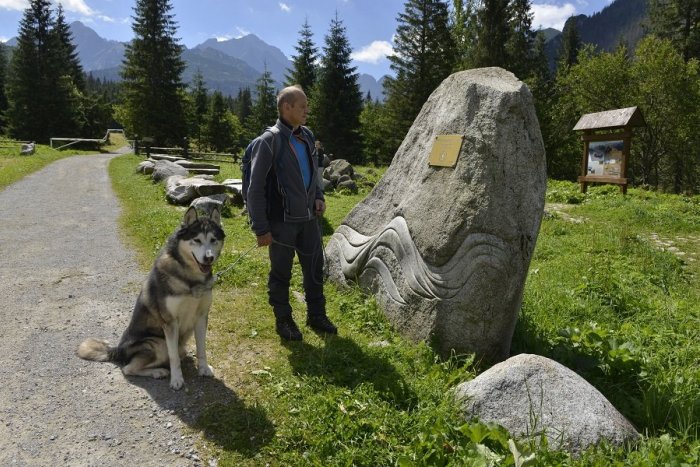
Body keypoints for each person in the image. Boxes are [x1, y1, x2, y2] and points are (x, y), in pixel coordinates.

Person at [247, 85, 337, 341]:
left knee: (314, 269)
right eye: (302, 106)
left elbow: (314, 176)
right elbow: (255, 189)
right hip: (281, 223)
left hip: (309, 220)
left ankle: (316, 315)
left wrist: (318, 197)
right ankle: (283, 319)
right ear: (287, 108)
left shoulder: (307, 136)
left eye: (306, 106)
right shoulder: (269, 141)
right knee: (281, 273)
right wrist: (261, 229)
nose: (307, 110)